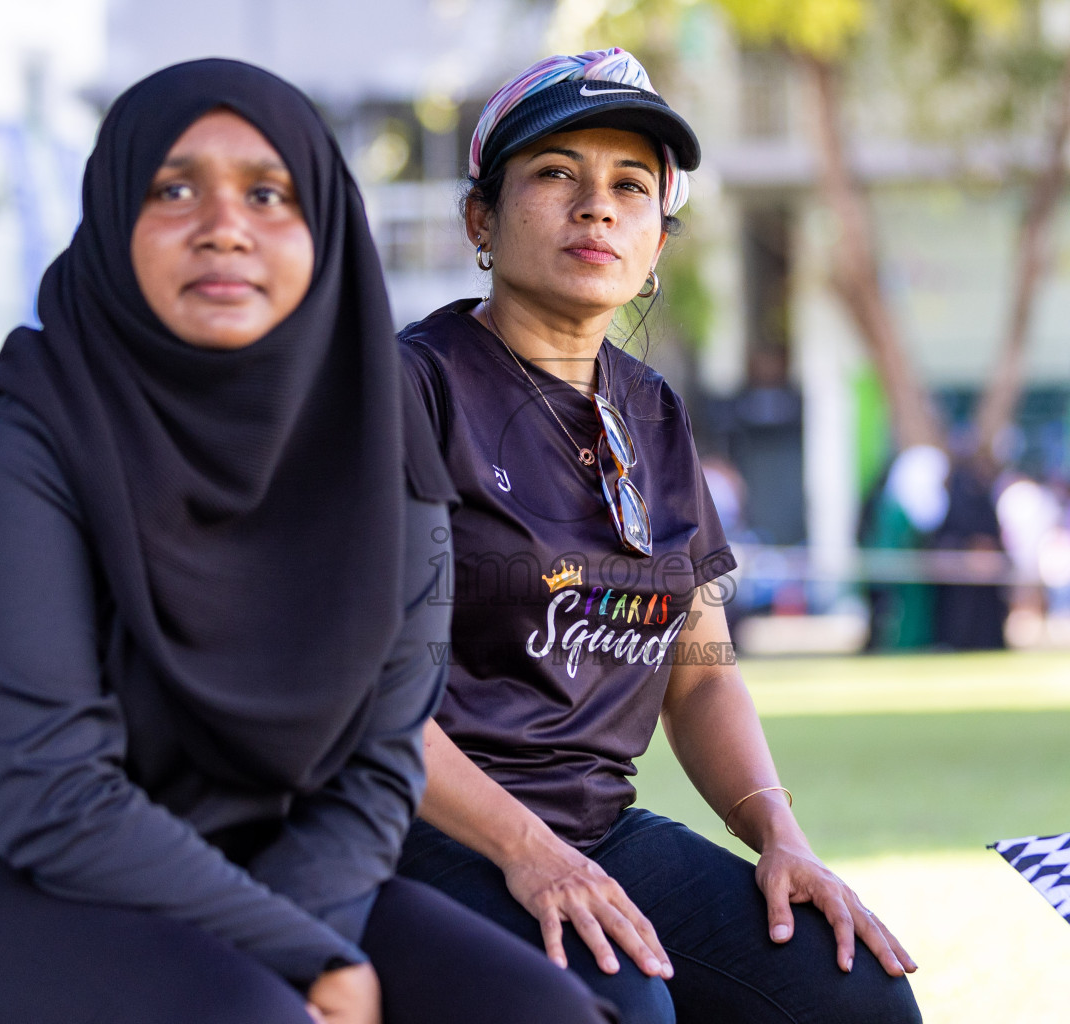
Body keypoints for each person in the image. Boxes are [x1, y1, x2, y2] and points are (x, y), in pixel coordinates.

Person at [0, 59, 611, 1024]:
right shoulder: (6, 446)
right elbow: (45, 794)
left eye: (267, 192)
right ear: (114, 215)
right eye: (173, 189)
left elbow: (381, 759)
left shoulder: (373, 441)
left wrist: (307, 938)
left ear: (323, 226)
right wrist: (302, 960)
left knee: (540, 1015)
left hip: (270, 863)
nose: (224, 225)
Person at [397, 48, 921, 1024]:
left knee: (856, 999)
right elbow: (361, 700)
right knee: (622, 1005)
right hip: (427, 835)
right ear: (481, 217)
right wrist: (524, 849)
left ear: (658, 241)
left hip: (600, 828)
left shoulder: (656, 416)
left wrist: (778, 832)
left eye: (630, 186)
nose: (597, 206)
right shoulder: (412, 391)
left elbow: (706, 668)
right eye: (556, 173)